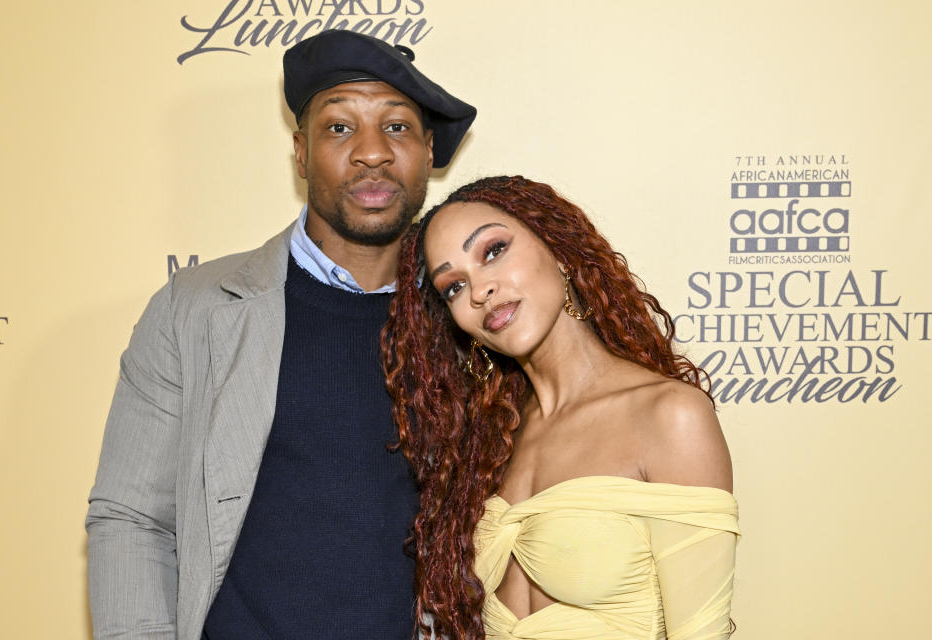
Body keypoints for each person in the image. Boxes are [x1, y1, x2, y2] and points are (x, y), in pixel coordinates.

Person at [85, 30, 475, 640]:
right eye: (339, 128)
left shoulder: (471, 320)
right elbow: (132, 518)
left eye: (397, 127)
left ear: (428, 150)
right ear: (300, 152)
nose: (372, 152)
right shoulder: (196, 310)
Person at [382, 176, 741, 640]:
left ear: (558, 248)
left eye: (493, 251)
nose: (479, 291)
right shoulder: (487, 444)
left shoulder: (670, 417)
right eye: (454, 286)